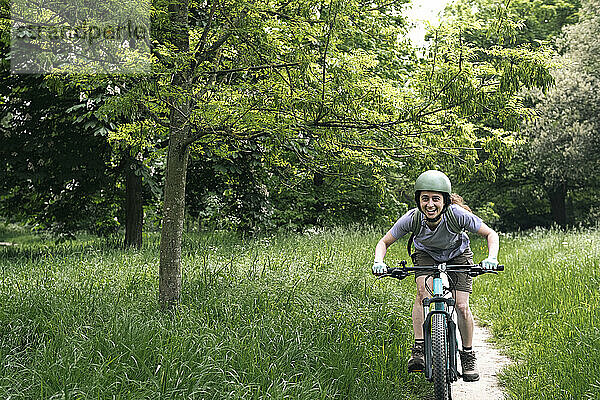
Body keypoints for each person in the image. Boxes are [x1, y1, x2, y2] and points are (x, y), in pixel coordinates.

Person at [372, 170, 499, 382]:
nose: (430, 204)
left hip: (458, 254)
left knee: (461, 305)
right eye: (425, 199)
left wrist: (491, 258)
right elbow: (383, 242)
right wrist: (379, 262)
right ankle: (420, 349)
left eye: (435, 199)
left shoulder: (456, 214)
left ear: (445, 201)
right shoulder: (412, 218)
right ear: (418, 200)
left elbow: (490, 234)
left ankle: (467, 354)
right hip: (426, 255)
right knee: (423, 295)